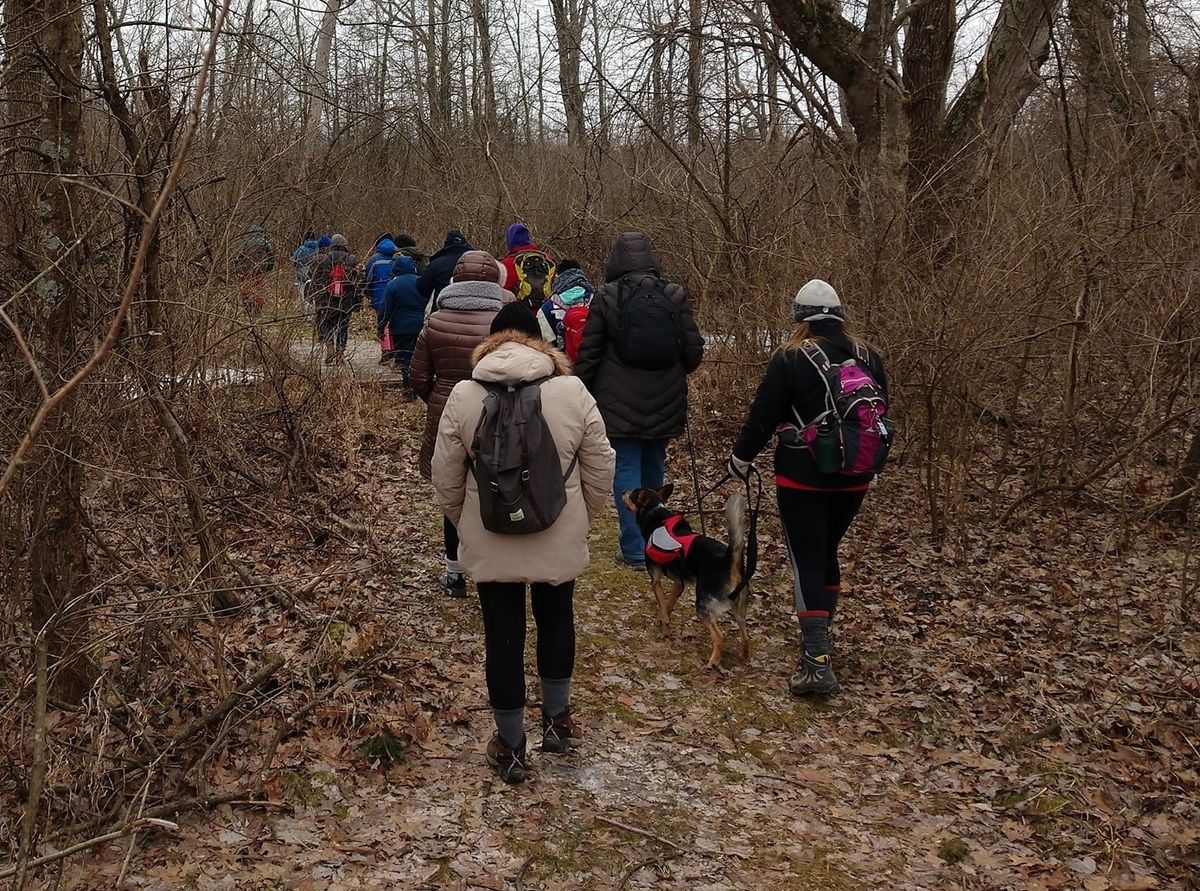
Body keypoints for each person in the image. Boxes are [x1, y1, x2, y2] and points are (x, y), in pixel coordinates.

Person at [432, 302, 615, 784]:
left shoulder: (465, 394)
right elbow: (601, 464)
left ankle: (512, 747)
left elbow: (445, 478)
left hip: (491, 535)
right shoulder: (571, 390)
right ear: (538, 339)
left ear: (490, 343)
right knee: (557, 619)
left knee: (502, 636)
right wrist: (579, 517)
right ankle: (556, 722)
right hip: (557, 529)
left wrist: (467, 520)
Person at [726, 279, 888, 696]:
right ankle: (819, 638)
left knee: (807, 558)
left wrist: (741, 458)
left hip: (802, 474)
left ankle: (816, 661)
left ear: (799, 317)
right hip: (856, 476)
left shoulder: (791, 357)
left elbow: (765, 412)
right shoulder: (870, 356)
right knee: (825, 551)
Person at [574, 231, 704, 568]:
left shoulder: (606, 297)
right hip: (666, 400)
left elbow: (589, 351)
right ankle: (656, 545)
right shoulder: (674, 295)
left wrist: (578, 389)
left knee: (627, 470)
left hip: (618, 403)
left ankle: (633, 550)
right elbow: (693, 351)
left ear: (615, 261)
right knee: (654, 469)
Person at [411, 250, 511, 596]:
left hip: (446, 417)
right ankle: (494, 568)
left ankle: (454, 575)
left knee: (453, 495)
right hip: (500, 417)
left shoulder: (436, 320)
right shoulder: (506, 318)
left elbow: (418, 375)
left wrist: (439, 402)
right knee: (496, 489)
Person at [309, 234, 361, 365]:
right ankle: (340, 353)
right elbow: (359, 281)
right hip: (346, 301)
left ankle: (330, 346)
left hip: (326, 300)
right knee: (343, 326)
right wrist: (358, 301)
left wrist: (314, 296)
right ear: (345, 245)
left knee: (327, 324)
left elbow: (314, 279)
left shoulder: (322, 259)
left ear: (331, 244)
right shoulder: (352, 259)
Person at [381, 253, 423, 397]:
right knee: (419, 358)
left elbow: (385, 309)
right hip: (422, 325)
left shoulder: (393, 285)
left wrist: (381, 327)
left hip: (401, 328)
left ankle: (409, 389)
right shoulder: (422, 282)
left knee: (405, 358)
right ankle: (420, 388)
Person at [537, 259, 597, 355]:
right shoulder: (597, 300)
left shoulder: (547, 307)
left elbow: (545, 343)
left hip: (563, 364)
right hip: (593, 362)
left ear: (558, 277)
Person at [500, 222, 555, 313]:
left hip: (518, 318)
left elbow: (502, 296)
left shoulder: (507, 265)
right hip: (544, 317)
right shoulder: (547, 261)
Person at [417, 229, 472, 311]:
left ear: (446, 243)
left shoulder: (436, 264)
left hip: (442, 310)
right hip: (472, 311)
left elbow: (422, 287)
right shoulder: (477, 262)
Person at [365, 236, 398, 361]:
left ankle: (386, 350)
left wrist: (368, 294)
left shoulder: (374, 260)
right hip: (395, 295)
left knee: (382, 323)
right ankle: (395, 349)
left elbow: (368, 279)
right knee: (394, 322)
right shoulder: (398, 258)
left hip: (378, 296)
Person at [235, 223, 276, 315]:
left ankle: (247, 308)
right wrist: (269, 268)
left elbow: (238, 257)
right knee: (258, 289)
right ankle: (257, 309)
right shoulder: (265, 242)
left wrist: (236, 268)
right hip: (260, 270)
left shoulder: (244, 242)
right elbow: (271, 257)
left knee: (245, 289)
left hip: (245, 270)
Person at [290, 230, 318, 320]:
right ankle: (313, 314)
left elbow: (294, 261)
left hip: (302, 275)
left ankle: (307, 316)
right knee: (314, 294)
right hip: (314, 275)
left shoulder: (301, 249)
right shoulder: (318, 249)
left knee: (304, 294)